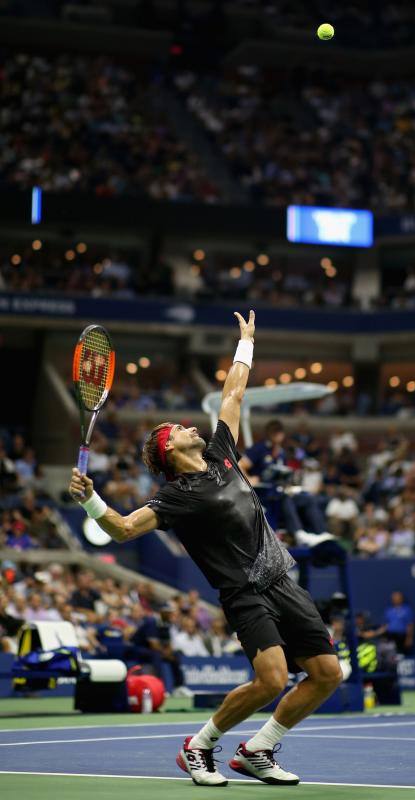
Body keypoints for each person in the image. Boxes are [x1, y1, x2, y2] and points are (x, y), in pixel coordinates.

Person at [69, 310, 342, 787]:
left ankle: (259, 749)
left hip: (281, 578)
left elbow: (233, 393)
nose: (185, 426)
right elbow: (124, 528)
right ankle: (199, 746)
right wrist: (91, 499)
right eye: (174, 428)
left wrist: (245, 345)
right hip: (245, 593)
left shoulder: (220, 453)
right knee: (274, 679)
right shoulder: (177, 497)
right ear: (168, 450)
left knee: (327, 673)